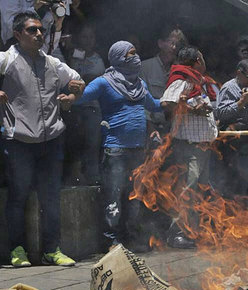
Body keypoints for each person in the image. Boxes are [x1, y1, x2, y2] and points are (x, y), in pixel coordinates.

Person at [0, 11, 84, 267]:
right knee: (18, 198)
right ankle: (17, 250)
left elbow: (78, 81)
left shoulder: (52, 62)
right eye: (32, 30)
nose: (38, 34)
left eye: (41, 30)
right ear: (17, 34)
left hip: (52, 140)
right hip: (19, 142)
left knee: (50, 198)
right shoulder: (4, 60)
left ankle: (52, 249)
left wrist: (71, 98)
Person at [75, 40, 162, 252]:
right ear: (118, 58)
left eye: (136, 53)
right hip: (115, 149)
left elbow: (154, 105)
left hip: (137, 150)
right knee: (113, 197)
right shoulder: (104, 82)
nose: (136, 58)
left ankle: (130, 238)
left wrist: (175, 101)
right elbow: (80, 98)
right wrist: (71, 91)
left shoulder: (140, 84)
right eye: (130, 54)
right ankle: (111, 242)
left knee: (133, 198)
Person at [160, 46, 218, 249]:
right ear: (196, 61)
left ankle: (192, 232)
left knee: (198, 192)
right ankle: (176, 234)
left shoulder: (199, 83)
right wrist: (192, 108)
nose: (204, 62)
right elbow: (167, 104)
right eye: (202, 58)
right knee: (187, 190)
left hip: (203, 147)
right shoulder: (182, 81)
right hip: (189, 148)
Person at [215, 58, 248, 198]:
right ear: (239, 73)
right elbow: (220, 113)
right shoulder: (229, 87)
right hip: (235, 146)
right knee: (235, 186)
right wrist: (240, 103)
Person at [67, 25, 105, 185]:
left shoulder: (99, 59)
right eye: (84, 37)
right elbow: (68, 78)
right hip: (73, 106)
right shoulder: (74, 56)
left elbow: (98, 82)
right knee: (74, 141)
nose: (88, 40)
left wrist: (87, 79)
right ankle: (73, 175)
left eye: (91, 37)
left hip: (93, 107)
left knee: (92, 141)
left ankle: (92, 176)